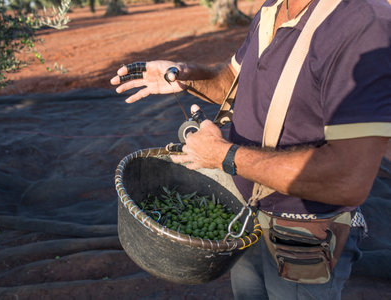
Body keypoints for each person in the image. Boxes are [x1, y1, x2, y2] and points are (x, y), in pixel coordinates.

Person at [110, 0, 390, 298]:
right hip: (246, 219)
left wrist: (224, 155)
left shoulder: (362, 22)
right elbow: (232, 82)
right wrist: (184, 76)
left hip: (304, 236)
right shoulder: (273, 9)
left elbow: (347, 179)